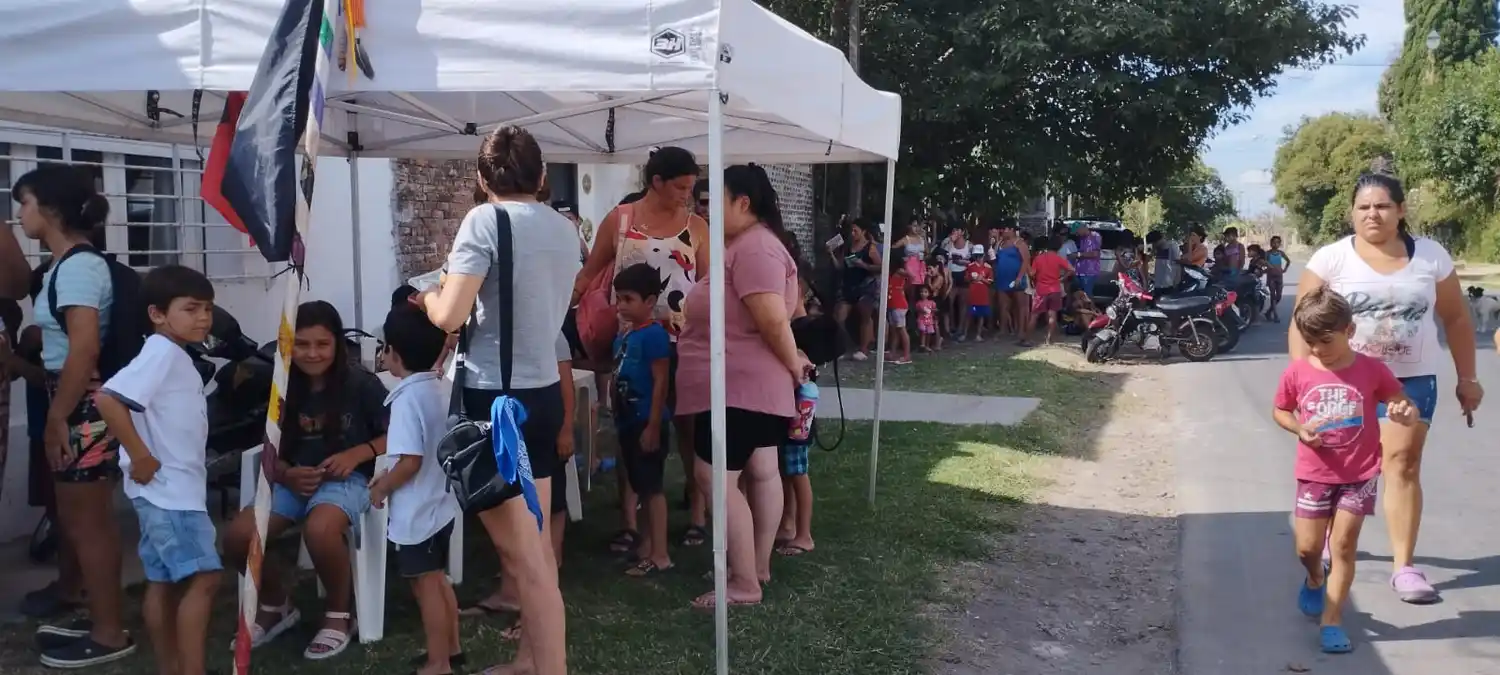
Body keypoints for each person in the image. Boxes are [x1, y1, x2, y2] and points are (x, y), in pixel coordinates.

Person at [417, 126, 574, 675]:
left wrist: (430, 294)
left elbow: (450, 317)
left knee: (526, 560)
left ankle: (548, 668)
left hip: (495, 402)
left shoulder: (484, 220)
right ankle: (530, 659)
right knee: (534, 549)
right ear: (542, 175)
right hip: (541, 394)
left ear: (483, 179)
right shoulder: (563, 228)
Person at [1291, 172, 1482, 605]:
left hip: (1411, 379)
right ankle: (1328, 542)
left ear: (1400, 210)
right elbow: (1302, 325)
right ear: (1351, 213)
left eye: (1382, 206)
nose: (1372, 214)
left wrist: (1468, 378)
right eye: (1363, 207)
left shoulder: (1431, 257)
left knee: (1402, 463)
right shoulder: (1331, 260)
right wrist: (1306, 381)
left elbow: (1455, 318)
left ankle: (1404, 567)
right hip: (1343, 382)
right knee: (1341, 469)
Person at [12, 165, 135, 667]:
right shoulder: (65, 265)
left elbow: (84, 349)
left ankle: (109, 634)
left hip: (82, 405)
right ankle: (101, 616)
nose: (20, 214)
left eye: (24, 203)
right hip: (74, 400)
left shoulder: (80, 267)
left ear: (50, 208)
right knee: (79, 520)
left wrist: (58, 418)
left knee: (90, 525)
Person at [677, 164, 810, 610]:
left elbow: (772, 319)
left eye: (717, 201)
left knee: (713, 476)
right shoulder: (751, 245)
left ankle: (744, 581)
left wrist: (794, 366)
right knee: (761, 470)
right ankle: (755, 567)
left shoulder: (755, 248)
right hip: (746, 385)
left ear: (743, 203)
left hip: (740, 386)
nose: (708, 210)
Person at [223, 301, 389, 660]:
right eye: (302, 344)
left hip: (348, 479)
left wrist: (357, 454)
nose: (312, 353)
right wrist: (285, 473)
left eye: (322, 344)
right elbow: (269, 442)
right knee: (238, 536)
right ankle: (275, 603)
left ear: (338, 344)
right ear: (288, 344)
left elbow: (396, 435)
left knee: (320, 529)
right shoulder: (280, 385)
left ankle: (340, 613)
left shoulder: (362, 384)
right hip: (293, 479)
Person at [572, 147, 708, 555]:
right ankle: (629, 522)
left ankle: (697, 514)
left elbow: (709, 285)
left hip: (684, 343)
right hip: (630, 344)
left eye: (691, 187)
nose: (687, 194)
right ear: (656, 182)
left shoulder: (696, 226)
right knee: (629, 426)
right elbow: (589, 273)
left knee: (688, 428)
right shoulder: (621, 219)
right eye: (680, 187)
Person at [1274, 286, 1417, 654]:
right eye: (1310, 341)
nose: (1318, 349)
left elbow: (1403, 404)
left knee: (1342, 546)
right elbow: (1281, 410)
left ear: (1349, 331)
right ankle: (1314, 577)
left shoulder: (1372, 370)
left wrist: (1404, 411)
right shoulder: (1299, 371)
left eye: (1325, 340)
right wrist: (1299, 429)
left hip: (1360, 475)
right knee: (1307, 548)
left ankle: (1332, 621)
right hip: (1314, 475)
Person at [93, 265, 219, 675]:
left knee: (162, 580)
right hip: (171, 492)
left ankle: (170, 668)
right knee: (204, 579)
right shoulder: (162, 353)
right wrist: (141, 455)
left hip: (164, 491)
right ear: (157, 314)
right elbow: (108, 399)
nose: (203, 318)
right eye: (191, 309)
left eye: (207, 309)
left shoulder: (170, 353)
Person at [367, 305, 463, 675]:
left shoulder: (406, 400)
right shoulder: (440, 387)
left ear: (393, 353)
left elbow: (410, 461)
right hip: (442, 503)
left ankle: (438, 663)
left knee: (425, 587)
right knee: (438, 579)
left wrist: (382, 487)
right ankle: (452, 649)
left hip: (417, 512)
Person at [610, 263, 675, 577]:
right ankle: (648, 545)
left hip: (646, 421)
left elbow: (661, 381)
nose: (621, 305)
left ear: (649, 301)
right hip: (627, 422)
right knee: (640, 485)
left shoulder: (655, 336)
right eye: (619, 298)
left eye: (628, 299)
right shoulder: (626, 336)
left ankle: (660, 554)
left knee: (652, 489)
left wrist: (652, 425)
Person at [828, 217, 882, 360]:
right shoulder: (847, 247)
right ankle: (842, 348)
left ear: (863, 231)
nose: (853, 233)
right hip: (848, 286)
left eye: (855, 231)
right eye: (851, 231)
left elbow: (880, 267)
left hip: (865, 286)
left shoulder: (870, 247)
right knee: (839, 317)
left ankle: (864, 349)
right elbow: (839, 266)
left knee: (865, 316)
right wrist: (831, 254)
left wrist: (864, 265)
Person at [1023, 236, 1075, 347]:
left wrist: (1026, 264)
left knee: (1034, 315)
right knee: (1052, 315)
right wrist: (1062, 279)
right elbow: (1071, 269)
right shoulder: (1058, 258)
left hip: (1041, 290)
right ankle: (1049, 340)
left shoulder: (1039, 258)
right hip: (1055, 289)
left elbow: (1032, 273)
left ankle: (1027, 339)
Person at [992, 222, 1030, 337]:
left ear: (1012, 229)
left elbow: (1026, 261)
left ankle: (1021, 331)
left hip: (1016, 278)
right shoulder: (1000, 243)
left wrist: (1019, 277)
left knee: (1020, 306)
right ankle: (1003, 330)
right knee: (1003, 306)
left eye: (1005, 229)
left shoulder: (1020, 243)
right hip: (1002, 278)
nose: (1003, 231)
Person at [940, 226, 972, 334]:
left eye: (958, 230)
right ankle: (951, 326)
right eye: (953, 230)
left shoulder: (969, 245)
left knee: (963, 302)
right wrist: (949, 242)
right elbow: (941, 255)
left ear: (962, 231)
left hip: (964, 274)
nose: (955, 232)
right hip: (950, 275)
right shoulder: (948, 243)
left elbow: (973, 261)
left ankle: (961, 328)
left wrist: (962, 262)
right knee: (949, 301)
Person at [959, 244, 992, 342]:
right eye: (976, 256)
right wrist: (972, 279)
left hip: (983, 293)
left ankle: (978, 335)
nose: (978, 258)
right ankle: (964, 334)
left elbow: (990, 281)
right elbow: (966, 278)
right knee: (970, 314)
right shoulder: (970, 266)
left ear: (983, 255)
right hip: (973, 293)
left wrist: (982, 279)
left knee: (981, 315)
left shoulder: (988, 267)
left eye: (980, 255)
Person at [885, 250, 912, 364]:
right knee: (894, 329)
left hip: (899, 303)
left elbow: (911, 277)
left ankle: (907, 355)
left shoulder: (900, 271)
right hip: (892, 302)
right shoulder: (891, 270)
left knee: (901, 329)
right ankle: (893, 352)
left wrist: (903, 288)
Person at [923, 253, 950, 350]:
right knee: (932, 322)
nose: (929, 271)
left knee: (936, 322)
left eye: (931, 268)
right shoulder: (934, 277)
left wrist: (929, 278)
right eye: (928, 269)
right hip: (932, 300)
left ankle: (939, 342)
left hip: (936, 301)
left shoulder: (940, 278)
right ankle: (932, 342)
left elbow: (932, 288)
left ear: (937, 267)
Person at [1071, 222, 1102, 298]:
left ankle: (1091, 306)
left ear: (1081, 228)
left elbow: (1095, 253)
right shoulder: (1082, 238)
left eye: (1077, 232)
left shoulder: (1094, 236)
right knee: (1081, 296)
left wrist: (1078, 255)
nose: (1077, 234)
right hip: (1080, 271)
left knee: (1087, 296)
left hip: (1089, 272)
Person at [1266, 235, 1291, 322]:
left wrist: (1285, 269)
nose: (1275, 244)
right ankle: (1275, 315)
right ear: (1270, 243)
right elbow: (1263, 262)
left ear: (1280, 244)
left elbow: (1288, 261)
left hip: (1279, 277)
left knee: (1279, 296)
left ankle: (1269, 312)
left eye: (1277, 242)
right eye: (1273, 242)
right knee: (1273, 296)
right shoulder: (1267, 254)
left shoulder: (1281, 253)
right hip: (1271, 277)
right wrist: (1266, 268)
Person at [914, 285, 939, 352]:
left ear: (929, 293)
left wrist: (933, 310)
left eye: (925, 292)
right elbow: (917, 310)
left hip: (929, 320)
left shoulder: (932, 302)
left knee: (929, 333)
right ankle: (922, 345)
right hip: (921, 320)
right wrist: (921, 311)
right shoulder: (918, 303)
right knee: (923, 332)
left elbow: (936, 310)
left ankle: (927, 346)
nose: (923, 293)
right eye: (921, 292)